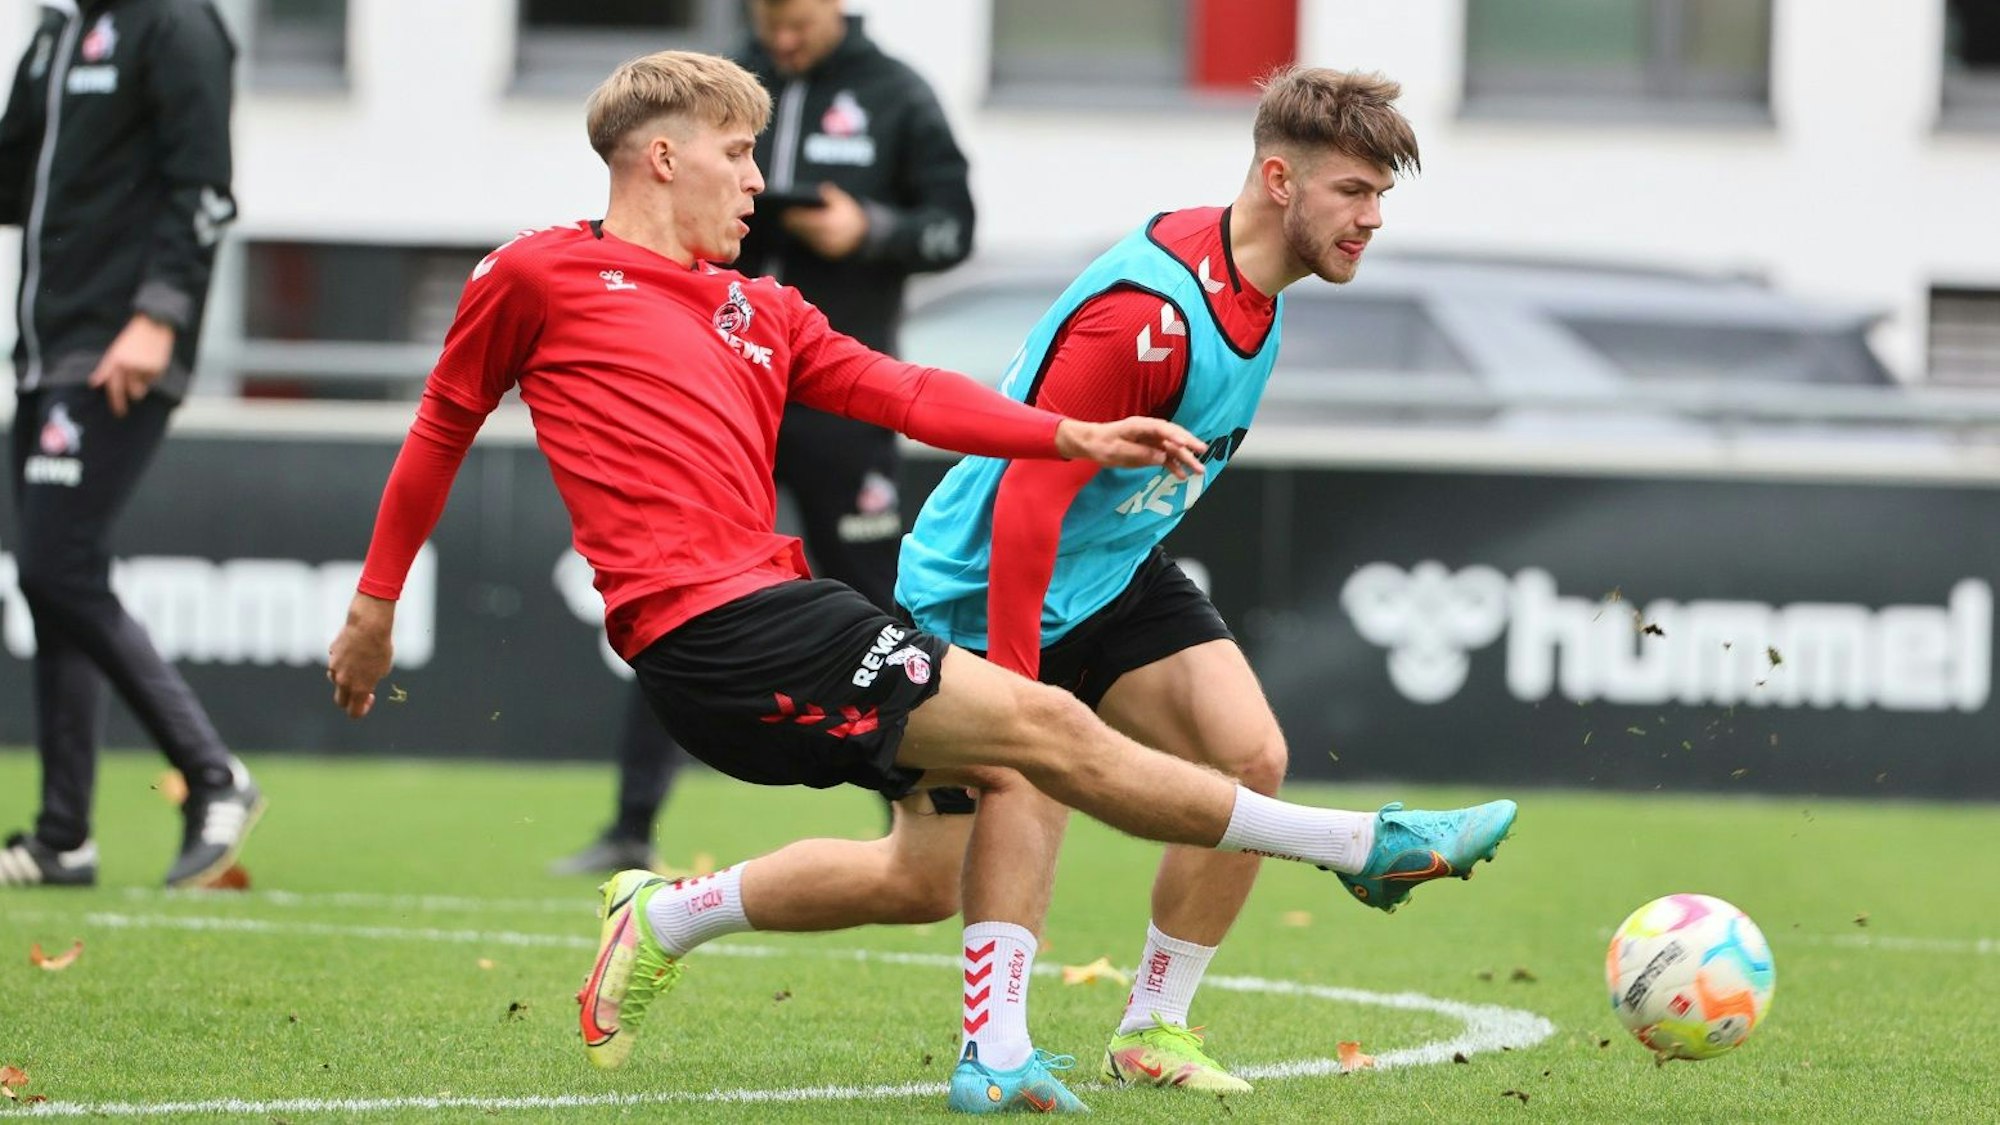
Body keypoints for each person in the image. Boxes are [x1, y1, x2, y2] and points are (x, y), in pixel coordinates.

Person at [323, 52, 1514, 1115]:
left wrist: (1064, 438)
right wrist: (375, 606)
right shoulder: (538, 273)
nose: (756, 182)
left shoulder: (759, 309)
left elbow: (905, 393)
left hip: (780, 607)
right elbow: (442, 421)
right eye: (738, 157)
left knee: (939, 854)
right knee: (1042, 733)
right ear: (661, 156)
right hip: (711, 630)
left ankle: (685, 923)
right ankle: (1359, 846)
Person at [893, 65, 1458, 1097]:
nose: (1372, 218)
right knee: (919, 875)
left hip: (1106, 572)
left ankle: (1153, 1025)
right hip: (986, 587)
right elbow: (1025, 501)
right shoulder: (1146, 314)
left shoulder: (1264, 284)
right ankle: (678, 913)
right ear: (1279, 179)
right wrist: (1019, 687)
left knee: (1249, 753)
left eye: (1382, 196)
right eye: (1354, 192)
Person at [549, 0, 978, 876]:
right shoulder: (720, 85)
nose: (780, 37)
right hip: (713, 388)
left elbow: (953, 226)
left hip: (833, 392)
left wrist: (872, 230)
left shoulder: (897, 94)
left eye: (795, 22)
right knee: (685, 592)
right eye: (766, 19)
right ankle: (632, 822)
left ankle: (916, 811)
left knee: (874, 600)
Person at [0, 0, 263, 890]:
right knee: (54, 586)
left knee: (56, 567)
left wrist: (159, 316)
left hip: (115, 346)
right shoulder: (58, 31)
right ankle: (63, 836)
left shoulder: (176, 23)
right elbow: (13, 184)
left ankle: (215, 774)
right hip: (43, 353)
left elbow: (206, 188)